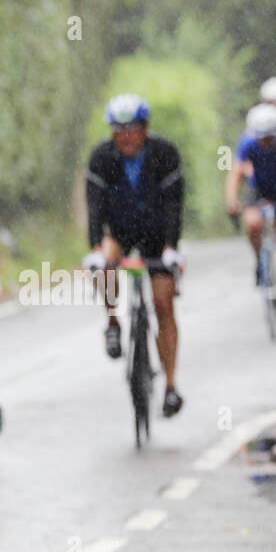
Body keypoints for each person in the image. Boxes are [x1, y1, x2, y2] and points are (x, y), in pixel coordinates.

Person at [82, 94, 186, 417]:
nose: (125, 137)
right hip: (122, 231)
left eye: (132, 129)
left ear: (145, 128)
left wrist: (170, 247)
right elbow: (95, 207)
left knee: (163, 303)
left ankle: (170, 386)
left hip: (158, 235)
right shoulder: (101, 158)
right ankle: (113, 322)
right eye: (118, 130)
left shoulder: (165, 154)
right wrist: (96, 248)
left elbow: (173, 206)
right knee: (106, 264)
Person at [225, 103, 276, 283]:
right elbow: (236, 173)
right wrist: (232, 200)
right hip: (258, 188)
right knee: (253, 224)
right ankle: (259, 259)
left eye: (270, 137)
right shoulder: (247, 142)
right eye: (263, 138)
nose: (267, 142)